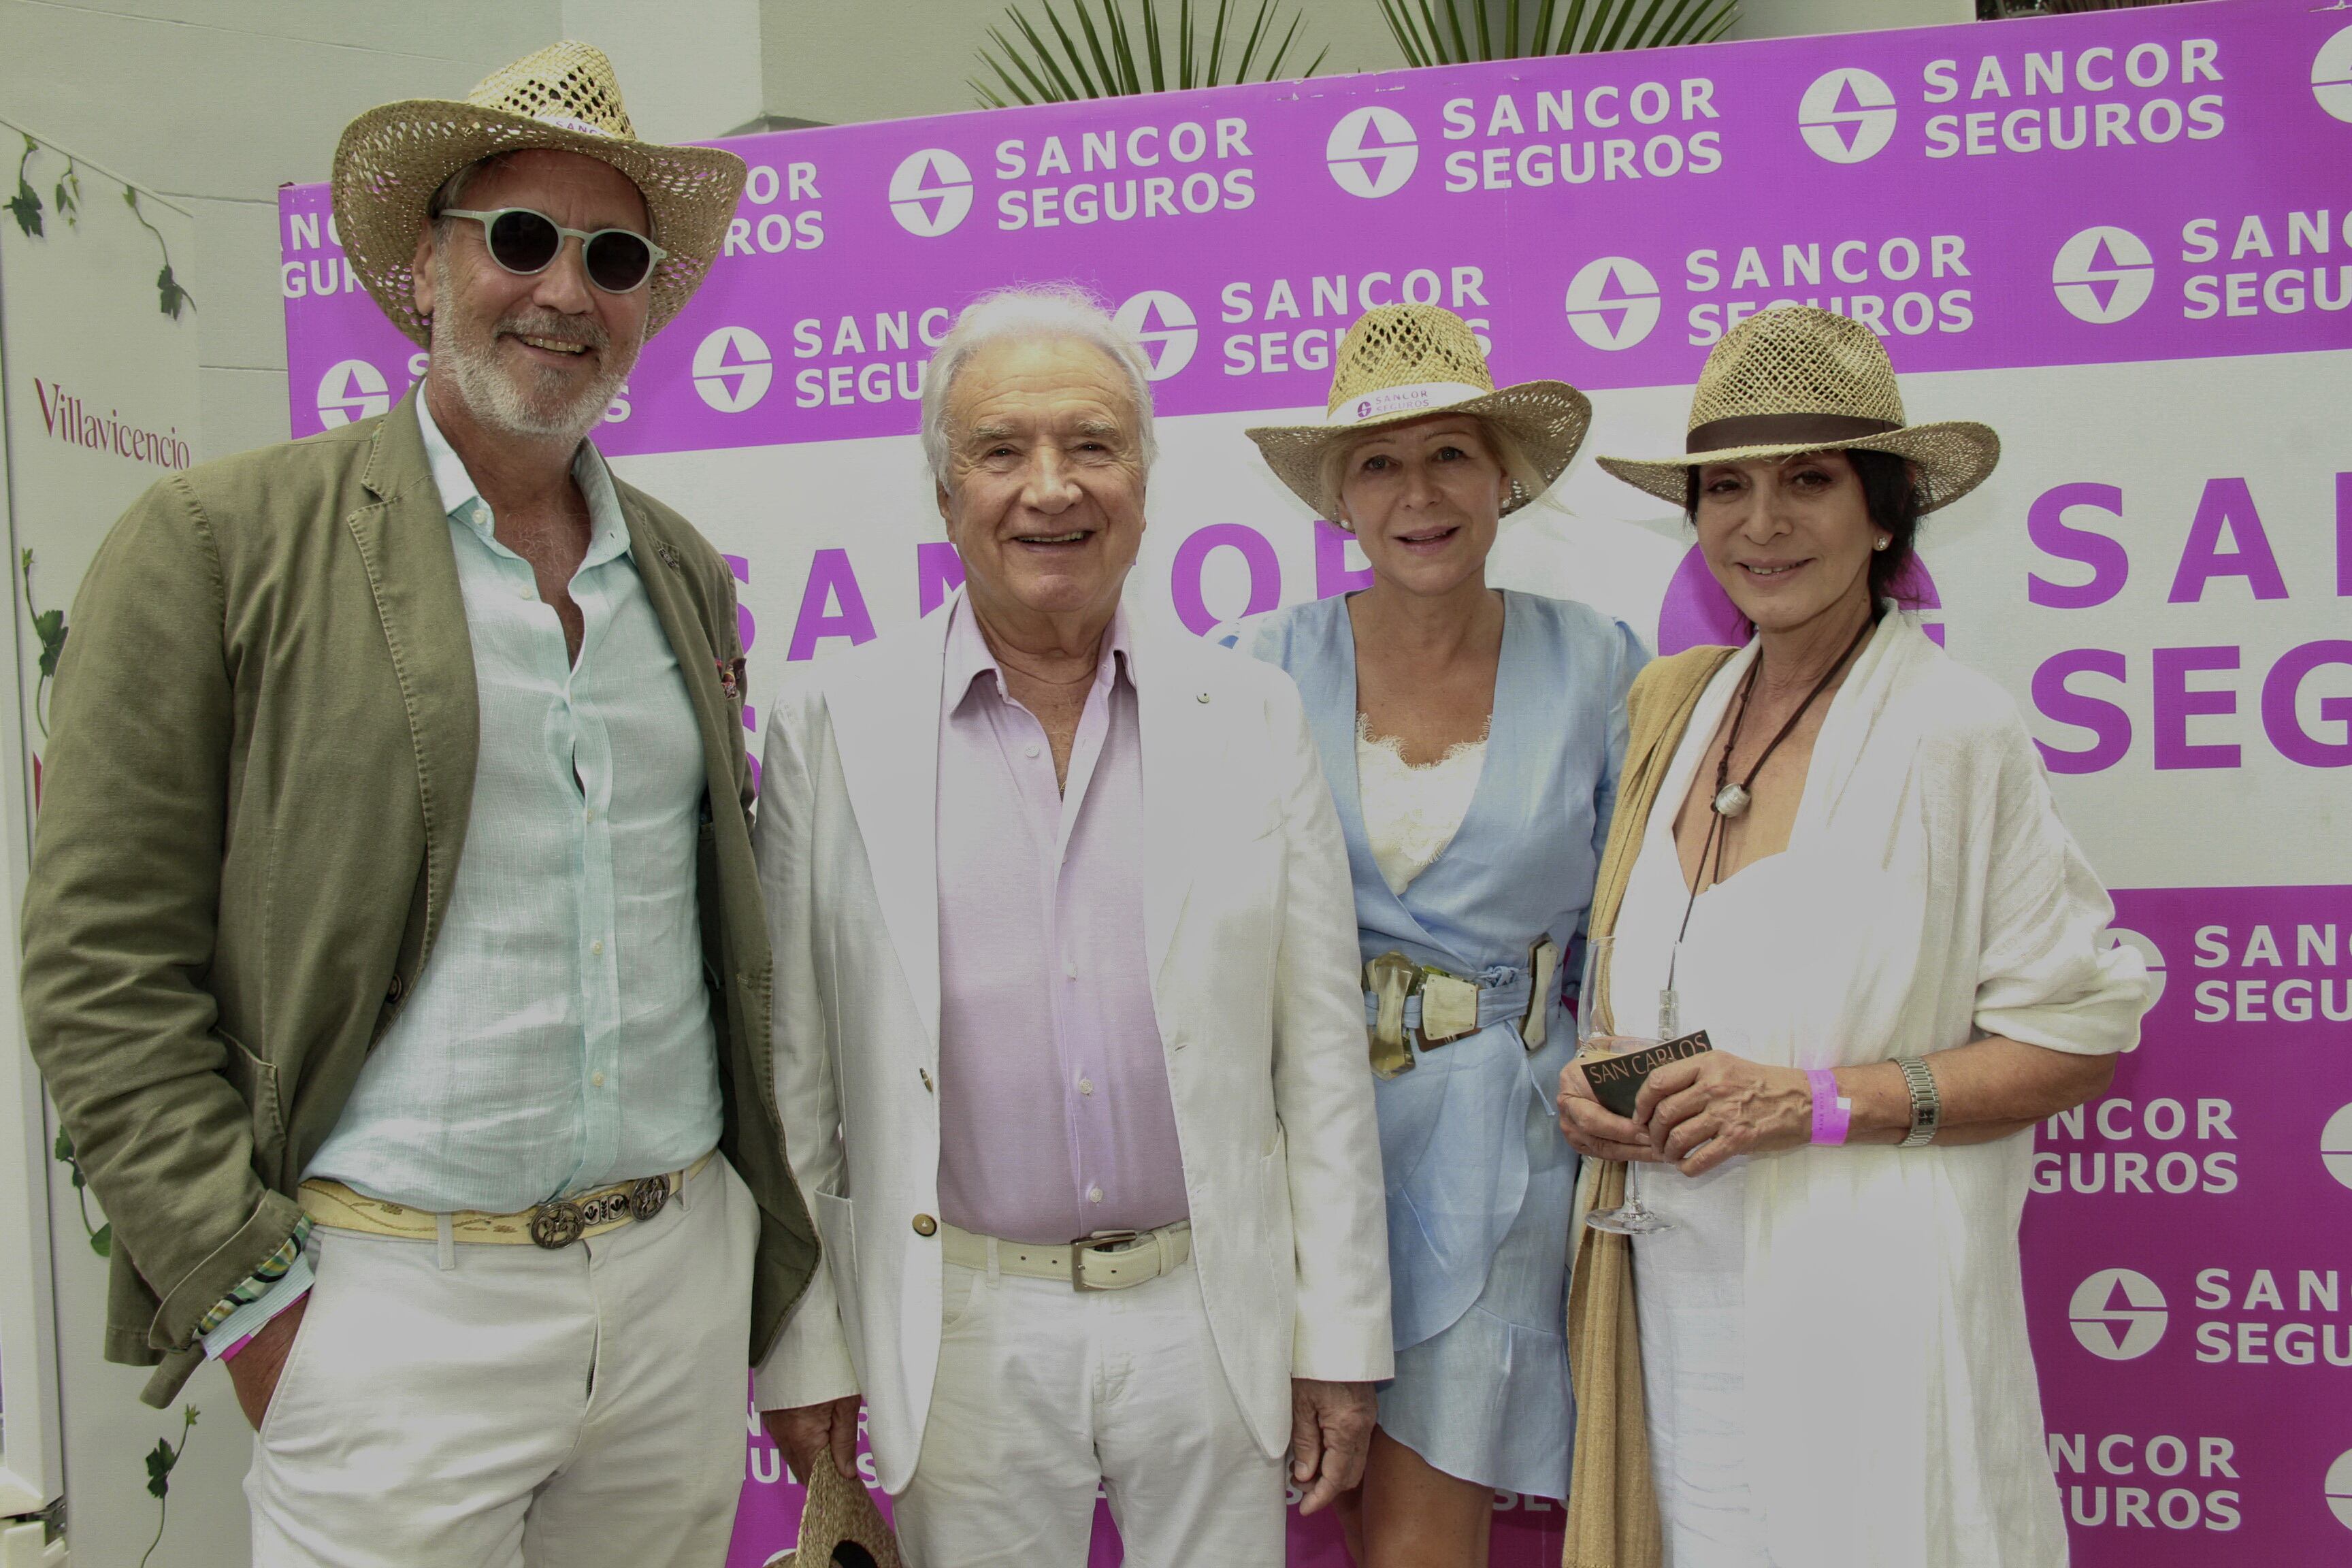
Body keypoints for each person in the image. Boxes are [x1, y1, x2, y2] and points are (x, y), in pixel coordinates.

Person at [18, 43, 815, 1567]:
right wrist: (261, 1306)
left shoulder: (682, 568)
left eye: (614, 256)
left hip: (672, 1292)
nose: (564, 292)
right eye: (519, 237)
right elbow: (97, 968)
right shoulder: (213, 543)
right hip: (389, 1309)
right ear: (424, 263)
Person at [751, 285, 1392, 1568]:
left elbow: (1320, 1062)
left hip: (1212, 1312)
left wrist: (1340, 1340)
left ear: (1146, 488)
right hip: (964, 1321)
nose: (1052, 487)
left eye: (1092, 446)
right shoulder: (835, 723)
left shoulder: (1252, 717)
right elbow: (795, 1075)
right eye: (1002, 451)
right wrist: (806, 1341)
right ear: (946, 498)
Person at [1554, 306, 2150, 1568]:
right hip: (1680, 1314)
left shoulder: (1952, 733)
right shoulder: (1674, 710)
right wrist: (1597, 1085)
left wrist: (1814, 1104)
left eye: (1809, 481)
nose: (1762, 524)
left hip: (1870, 1324)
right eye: (1728, 487)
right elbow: (1662, 993)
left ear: (1885, 511)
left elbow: (2078, 1044)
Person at [1221, 304, 1644, 1567]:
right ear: (1338, 497)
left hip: (1500, 1148)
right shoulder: (1254, 672)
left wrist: (1616, 1100)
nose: (1420, 493)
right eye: (1381, 462)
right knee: (1308, 1497)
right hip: (1298, 1152)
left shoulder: (1604, 665)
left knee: (1422, 1527)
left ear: (1504, 478)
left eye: (1451, 453)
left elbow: (1649, 932)